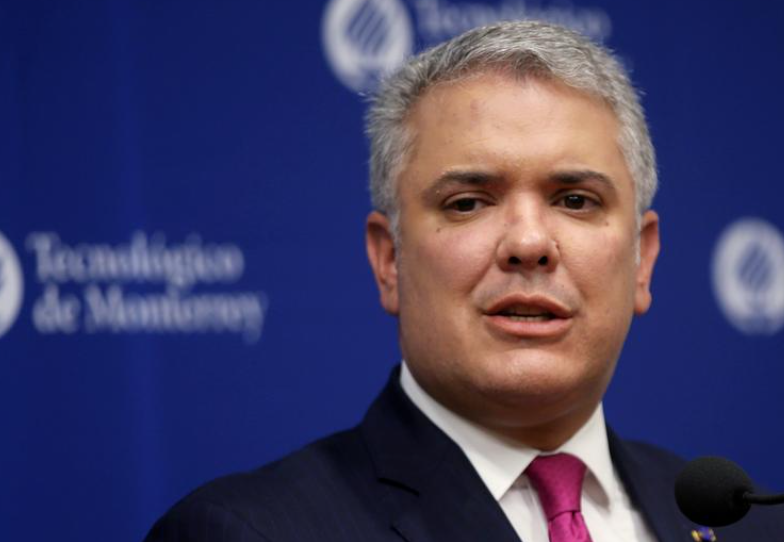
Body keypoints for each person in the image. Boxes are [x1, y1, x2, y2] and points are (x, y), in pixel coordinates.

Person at [145, 20, 783, 542]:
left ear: (642, 260)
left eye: (576, 200)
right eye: (468, 203)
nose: (529, 243)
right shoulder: (247, 532)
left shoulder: (752, 525)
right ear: (389, 260)